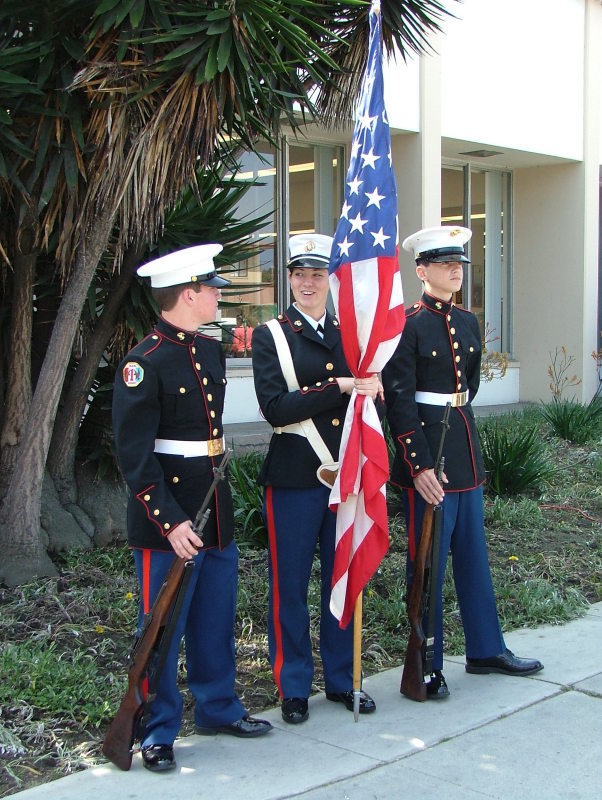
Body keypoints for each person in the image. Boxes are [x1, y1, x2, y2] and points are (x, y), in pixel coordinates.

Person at [112, 244, 272, 773]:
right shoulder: (144, 362)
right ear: (188, 293)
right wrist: (171, 520)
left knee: (214, 617)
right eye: (211, 288)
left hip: (213, 506)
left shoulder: (208, 351)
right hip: (172, 517)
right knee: (163, 625)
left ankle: (218, 707)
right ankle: (156, 730)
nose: (217, 296)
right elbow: (135, 457)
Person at [382, 226, 543, 700]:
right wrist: (419, 464)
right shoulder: (407, 325)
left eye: (460, 264)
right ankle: (426, 660)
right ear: (421, 270)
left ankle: (485, 649)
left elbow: (466, 390)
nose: (456, 270)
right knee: (427, 563)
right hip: (429, 459)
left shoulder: (469, 322)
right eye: (445, 263)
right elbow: (399, 401)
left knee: (474, 558)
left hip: (464, 451)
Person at [251, 233, 380, 725]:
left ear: (331, 279)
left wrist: (369, 390)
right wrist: (341, 386)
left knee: (341, 581)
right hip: (294, 479)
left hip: (343, 475)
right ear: (288, 279)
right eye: (300, 274)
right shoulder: (270, 335)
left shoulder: (350, 333)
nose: (308, 283)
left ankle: (343, 679)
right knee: (290, 585)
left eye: (317, 274)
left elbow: (365, 403)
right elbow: (275, 409)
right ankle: (294, 685)